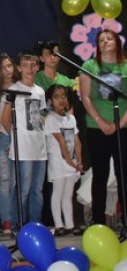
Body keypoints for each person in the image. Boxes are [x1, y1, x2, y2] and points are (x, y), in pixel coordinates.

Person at [79, 29, 127, 227]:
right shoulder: (89, 66)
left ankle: (125, 222)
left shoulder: (125, 66)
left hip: (122, 128)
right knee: (100, 175)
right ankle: (98, 222)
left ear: (117, 42)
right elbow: (85, 98)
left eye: (109, 38)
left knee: (124, 175)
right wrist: (101, 122)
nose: (105, 42)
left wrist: (119, 124)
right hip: (96, 129)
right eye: (101, 40)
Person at [1, 51, 48, 226]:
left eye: (33, 65)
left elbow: (39, 115)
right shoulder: (14, 90)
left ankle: (35, 224)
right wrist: (14, 137)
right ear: (19, 68)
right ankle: (17, 224)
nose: (29, 69)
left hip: (39, 147)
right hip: (23, 146)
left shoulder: (40, 91)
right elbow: (5, 118)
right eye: (25, 65)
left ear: (38, 67)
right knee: (24, 188)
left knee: (38, 189)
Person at [44, 84, 83, 235]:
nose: (61, 100)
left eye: (63, 96)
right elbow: (61, 141)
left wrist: (79, 161)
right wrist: (70, 162)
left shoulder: (71, 118)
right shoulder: (51, 119)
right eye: (56, 97)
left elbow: (77, 141)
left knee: (68, 194)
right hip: (58, 162)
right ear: (50, 100)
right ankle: (58, 224)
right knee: (58, 192)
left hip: (71, 162)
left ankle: (70, 224)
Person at [0, 52, 19, 233]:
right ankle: (6, 221)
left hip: (19, 138)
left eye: (10, 65)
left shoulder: (20, 86)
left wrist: (16, 139)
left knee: (16, 182)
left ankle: (16, 219)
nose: (8, 70)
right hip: (2, 138)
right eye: (3, 67)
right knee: (4, 180)